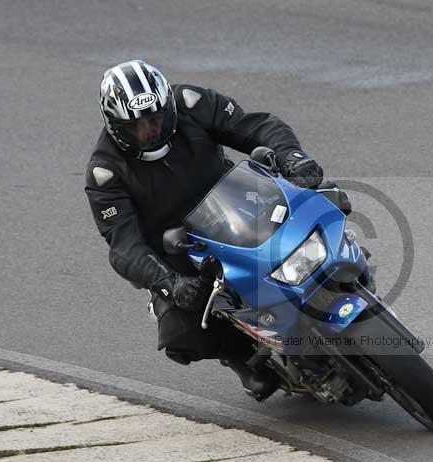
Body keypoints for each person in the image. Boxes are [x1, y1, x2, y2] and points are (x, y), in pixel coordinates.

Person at [85, 60, 325, 401]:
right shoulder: (105, 172)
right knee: (180, 332)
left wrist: (292, 157)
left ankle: (347, 272)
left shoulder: (191, 103)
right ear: (117, 127)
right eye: (138, 126)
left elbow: (256, 126)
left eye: (155, 119)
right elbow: (123, 247)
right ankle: (242, 357)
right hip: (184, 251)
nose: (151, 130)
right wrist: (169, 283)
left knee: (314, 205)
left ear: (167, 105)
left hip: (239, 204)